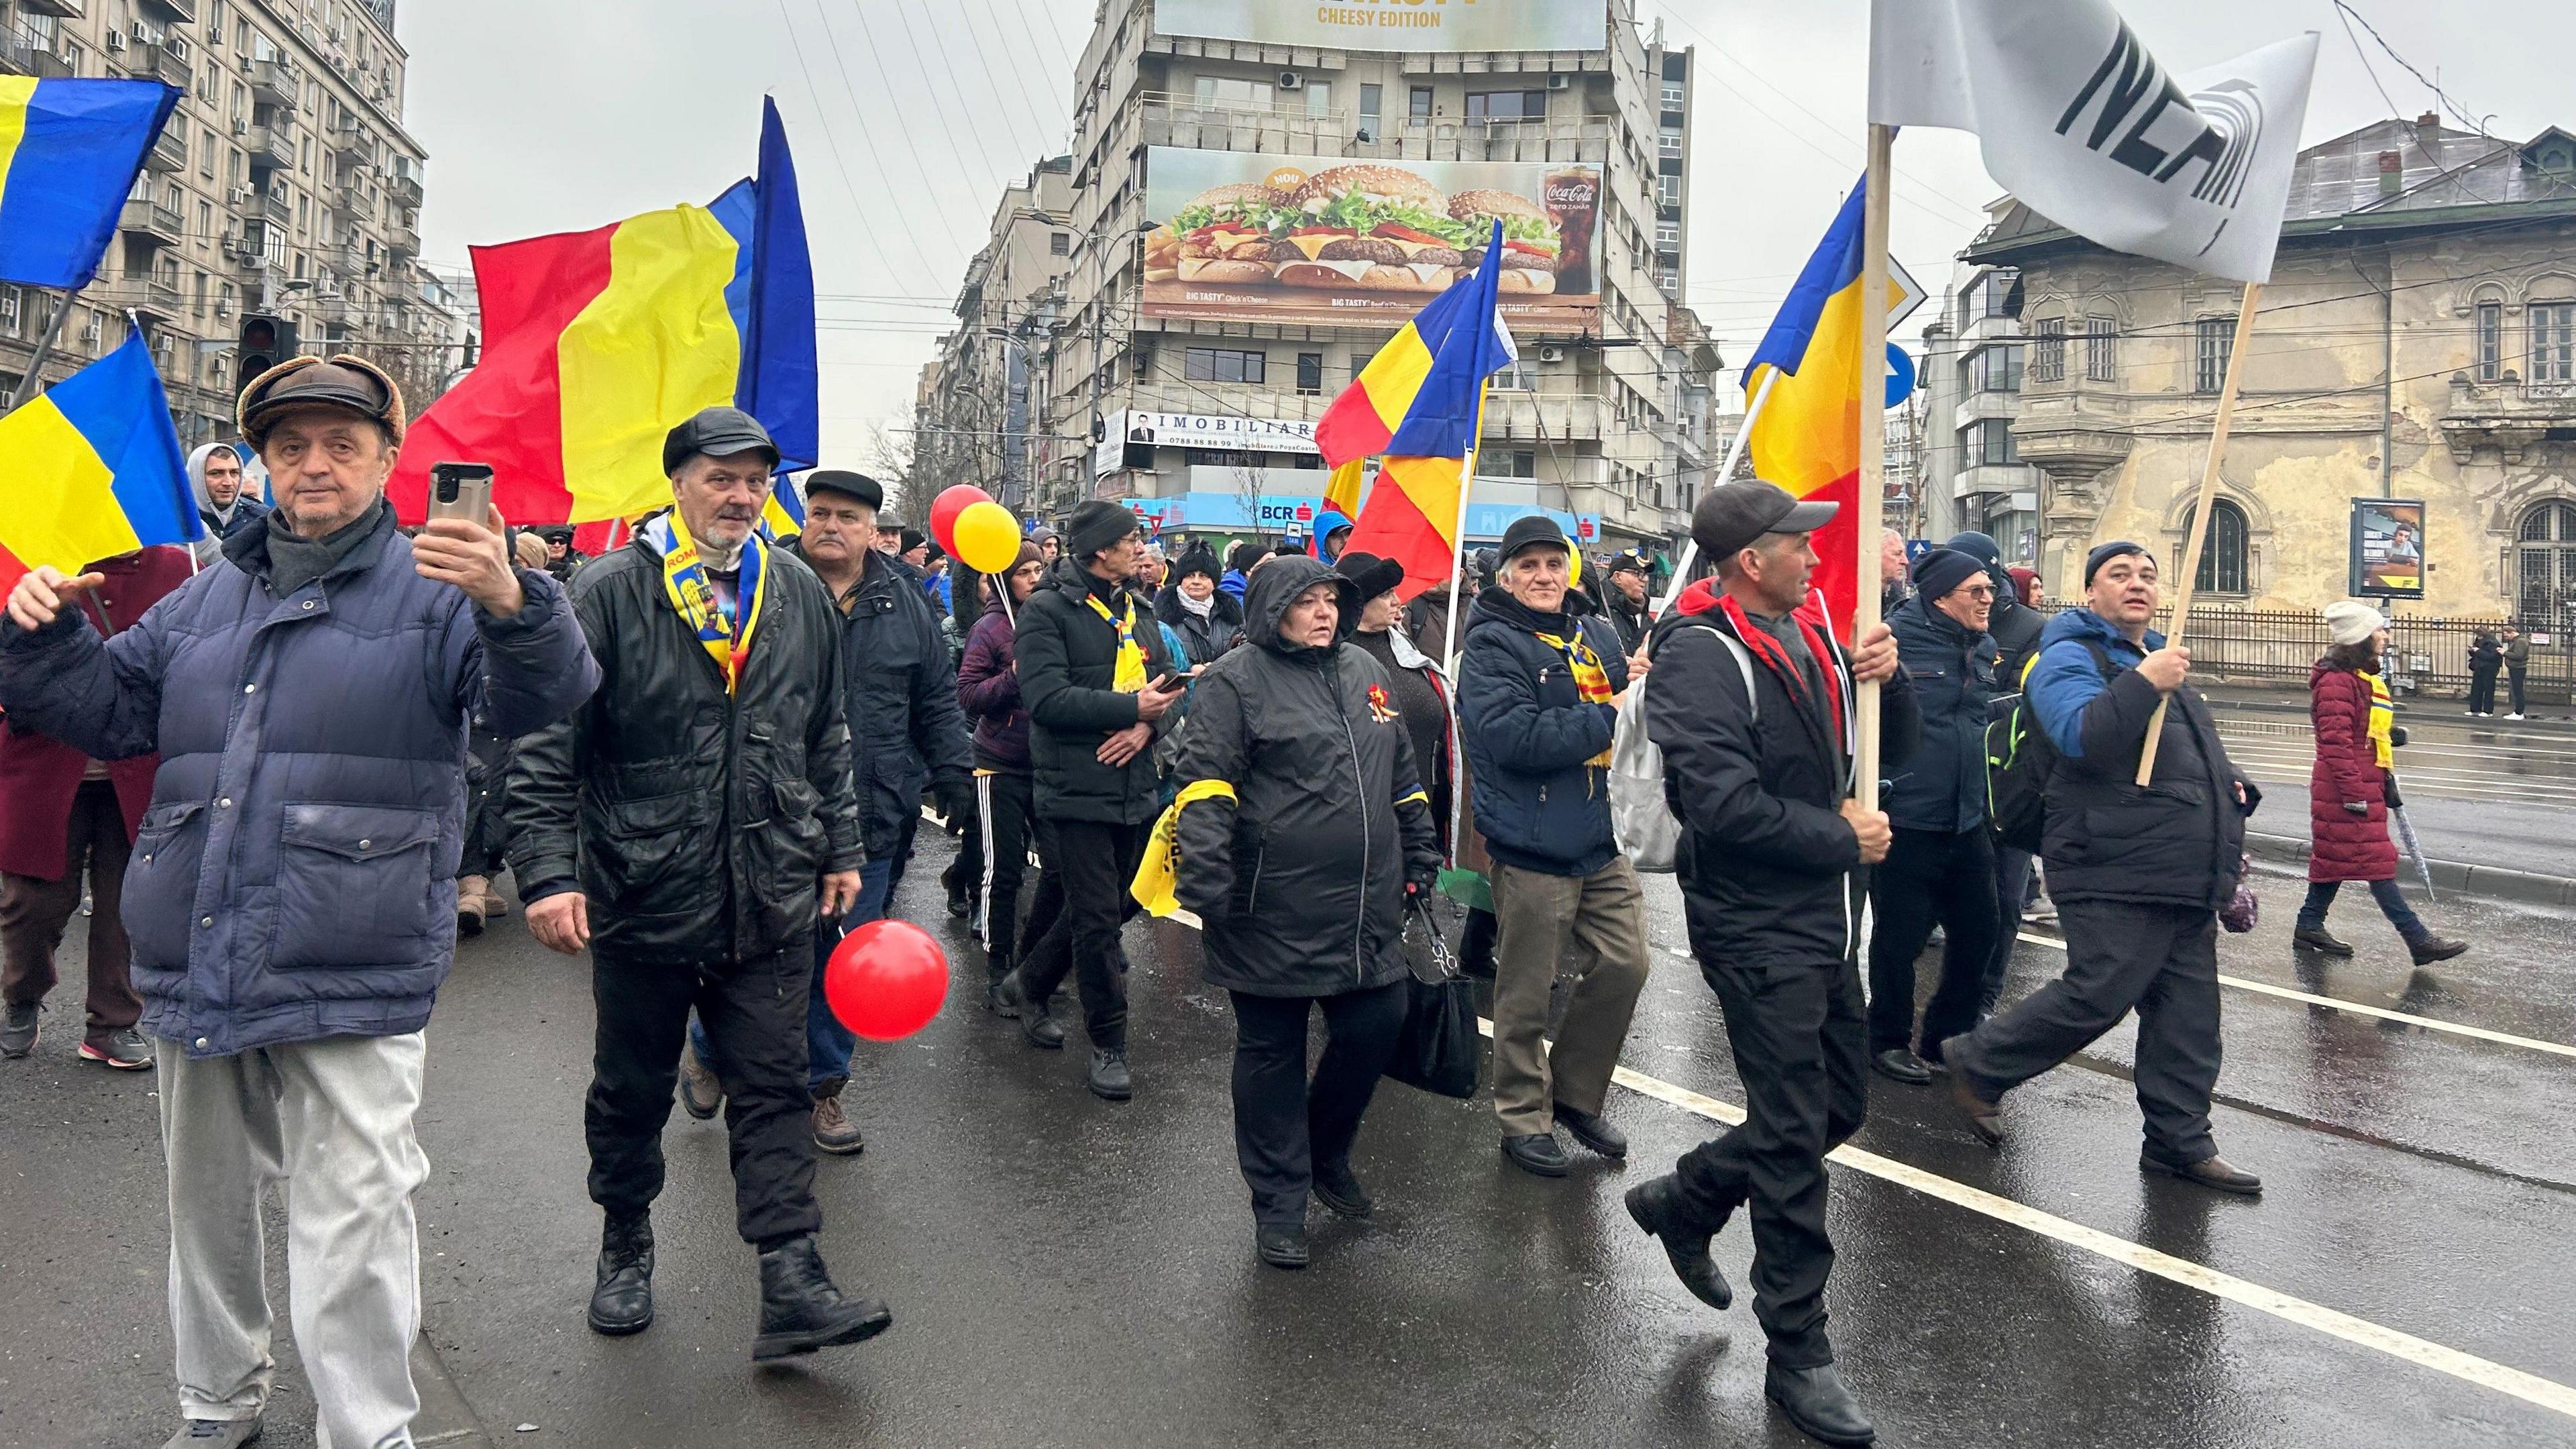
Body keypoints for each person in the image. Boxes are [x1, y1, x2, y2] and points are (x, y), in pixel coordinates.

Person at [0, 354, 597, 1449]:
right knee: (206, 1214)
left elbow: (544, 695)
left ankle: (367, 1431)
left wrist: (517, 600)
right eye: (289, 446)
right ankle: (217, 1404)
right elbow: (113, 712)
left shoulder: (441, 586)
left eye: (340, 443)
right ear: (264, 465)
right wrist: (35, 630)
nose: (312, 464)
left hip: (352, 952)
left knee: (356, 1215)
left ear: (386, 458)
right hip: (199, 942)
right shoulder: (203, 597)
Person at [508, 407, 891, 1360]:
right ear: (677, 482)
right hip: (645, 892)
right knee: (633, 1090)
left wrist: (840, 846)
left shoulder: (794, 589)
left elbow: (825, 731)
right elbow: (548, 745)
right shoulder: (606, 590)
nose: (741, 494)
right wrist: (551, 874)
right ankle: (625, 1240)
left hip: (770, 892)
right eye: (721, 477)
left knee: (774, 1083)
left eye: (756, 479)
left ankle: (793, 1279)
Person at [1622, 480, 1914, 1449]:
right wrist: (1838, 835)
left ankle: (1686, 1197)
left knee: (1839, 1107)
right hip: (1754, 924)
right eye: (1799, 541)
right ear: (1752, 559)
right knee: (1793, 1137)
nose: (1813, 554)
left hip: (1828, 921)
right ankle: (1798, 1356)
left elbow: (1886, 756)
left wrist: (1889, 677)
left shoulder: (1817, 638)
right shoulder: (1699, 656)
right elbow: (1720, 804)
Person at [1942, 542, 2265, 1199]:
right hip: (2109, 861)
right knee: (2100, 990)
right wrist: (2147, 684)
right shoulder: (2068, 656)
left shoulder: (2152, 661)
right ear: (2090, 593)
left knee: (2188, 1020)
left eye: (2148, 574)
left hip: (2177, 872)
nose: (2137, 584)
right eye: (2119, 575)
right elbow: (2084, 737)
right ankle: (1978, 1063)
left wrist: (2231, 794)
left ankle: (2180, 1143)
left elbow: (2189, 759)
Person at [677, 469, 972, 1155]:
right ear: (803, 518)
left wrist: (955, 775)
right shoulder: (758, 584)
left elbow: (933, 700)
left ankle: (824, 1090)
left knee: (843, 960)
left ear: (875, 531)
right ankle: (711, 1049)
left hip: (869, 816)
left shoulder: (907, 604)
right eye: (821, 513)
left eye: (848, 517)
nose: (831, 526)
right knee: (743, 948)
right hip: (762, 813)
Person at [1173, 556, 1442, 1269]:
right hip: (1266, 905)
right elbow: (1205, 784)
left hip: (1364, 904)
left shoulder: (1364, 671)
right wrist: (1206, 880)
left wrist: (1420, 853)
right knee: (1272, 1056)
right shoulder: (1236, 680)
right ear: (1270, 609)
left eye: (1331, 600)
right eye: (1307, 601)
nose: (1324, 611)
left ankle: (1325, 1155)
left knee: (1377, 1021)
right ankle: (1279, 1202)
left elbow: (1401, 773)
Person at [1456, 516, 1649, 1177]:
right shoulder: (1490, 645)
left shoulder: (1592, 628)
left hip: (1600, 835)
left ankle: (1573, 1095)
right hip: (1531, 840)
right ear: (1507, 576)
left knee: (1627, 964)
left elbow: (1624, 692)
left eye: (1553, 564)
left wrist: (1637, 680)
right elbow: (1516, 740)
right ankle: (1521, 1118)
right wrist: (1610, 712)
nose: (1544, 576)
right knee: (1527, 990)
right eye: (1529, 566)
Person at [992, 501, 1185, 1099]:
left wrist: (1149, 726)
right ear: (1101, 549)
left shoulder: (1139, 607)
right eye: (1132, 540)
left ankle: (1028, 981)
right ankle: (1108, 1043)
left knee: (1108, 905)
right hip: (1075, 790)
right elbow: (1046, 700)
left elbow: (1173, 688)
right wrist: (1131, 710)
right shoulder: (1048, 610)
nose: (1142, 548)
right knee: (1099, 921)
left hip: (1138, 786)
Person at [0, 544, 194, 1069]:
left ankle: (113, 1021)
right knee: (33, 903)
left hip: (140, 769)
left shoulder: (180, 568)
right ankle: (22, 995)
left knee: (128, 904)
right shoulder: (30, 562)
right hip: (44, 764)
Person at [1864, 547, 2000, 1087]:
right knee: (1900, 939)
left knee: (1981, 930)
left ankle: (1947, 1037)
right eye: (1977, 591)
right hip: (1908, 815)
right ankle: (1887, 1041)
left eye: (1990, 589)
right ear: (1940, 596)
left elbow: (1971, 718)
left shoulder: (1981, 646)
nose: (1989, 599)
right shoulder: (1893, 638)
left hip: (1966, 817)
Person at [2295, 603, 2467, 964]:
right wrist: (2355, 793)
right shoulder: (2337, 682)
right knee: (2376, 862)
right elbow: (2335, 743)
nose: (2385, 636)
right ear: (2360, 637)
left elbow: (2357, 730)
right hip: (2346, 789)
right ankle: (2418, 939)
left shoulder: (2357, 677)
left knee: (2337, 858)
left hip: (2357, 782)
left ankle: (2309, 925)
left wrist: (2390, 735)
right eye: (2379, 630)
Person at [1945, 530, 2047, 1016]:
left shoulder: (2030, 628)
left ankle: (1985, 997)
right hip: (1949, 784)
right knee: (1949, 900)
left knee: (2006, 899)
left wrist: (1963, 705)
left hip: (2009, 788)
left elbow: (2026, 703)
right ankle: (1952, 997)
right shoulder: (1935, 620)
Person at [959, 543, 1052, 1006]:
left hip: (1053, 764)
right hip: (1000, 763)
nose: (1034, 578)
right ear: (1004, 580)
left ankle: (1038, 965)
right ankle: (999, 968)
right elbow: (970, 695)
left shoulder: (1054, 620)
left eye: (1039, 569)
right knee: (1005, 870)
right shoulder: (990, 628)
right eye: (1024, 572)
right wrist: (1015, 675)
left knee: (1059, 868)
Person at [1157, 545, 1244, 669]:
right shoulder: (1163, 616)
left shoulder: (1231, 614)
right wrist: (1190, 671)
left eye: (1203, 576)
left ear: (1214, 581)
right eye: (1190, 575)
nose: (1196, 581)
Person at [186, 442, 265, 564]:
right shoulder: (179, 522)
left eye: (234, 473)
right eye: (216, 473)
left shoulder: (262, 519)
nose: (228, 482)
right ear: (196, 477)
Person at [1599, 550, 1653, 656]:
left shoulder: (1643, 612)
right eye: (1637, 574)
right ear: (1618, 577)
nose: (1645, 580)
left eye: (1645, 574)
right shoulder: (1599, 608)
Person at [2466, 629, 2503, 716]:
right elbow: (2477, 655)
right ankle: (2475, 709)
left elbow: (2491, 656)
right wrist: (2472, 651)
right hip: (2479, 667)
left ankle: (2488, 711)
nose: (2477, 638)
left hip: (2489, 668)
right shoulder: (2479, 641)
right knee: (2476, 689)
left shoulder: (2492, 642)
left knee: (2489, 690)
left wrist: (2477, 651)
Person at [1878, 527, 1911, 616]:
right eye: (1897, 554)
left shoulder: (1897, 601)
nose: (1906, 561)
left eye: (1904, 554)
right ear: (1875, 555)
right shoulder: (1850, 599)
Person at [2501, 623, 2530, 720]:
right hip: (2516, 668)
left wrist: (2504, 653)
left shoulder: (2520, 641)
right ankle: (2518, 712)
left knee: (2518, 690)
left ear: (2512, 633)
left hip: (2518, 668)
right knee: (2516, 690)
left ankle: (2519, 712)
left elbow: (2518, 655)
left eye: (2507, 635)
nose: (2506, 638)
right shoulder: (2517, 641)